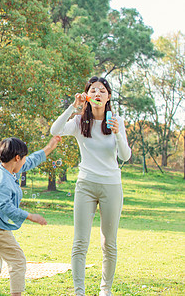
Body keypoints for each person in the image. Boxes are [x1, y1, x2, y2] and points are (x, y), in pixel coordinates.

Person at [50, 76, 131, 296]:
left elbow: (125, 156)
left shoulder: (118, 122)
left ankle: (105, 290)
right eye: (93, 90)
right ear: (87, 96)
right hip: (85, 185)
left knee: (109, 242)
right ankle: (79, 292)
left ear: (109, 97)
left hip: (111, 186)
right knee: (80, 241)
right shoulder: (79, 122)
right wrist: (72, 107)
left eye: (102, 90)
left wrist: (118, 134)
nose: (97, 94)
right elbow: (54, 130)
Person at [0, 136, 61, 296]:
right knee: (18, 260)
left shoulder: (5, 169)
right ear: (17, 157)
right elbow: (6, 207)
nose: (25, 161)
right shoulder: (3, 181)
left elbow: (32, 160)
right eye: (23, 157)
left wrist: (49, 147)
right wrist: (30, 216)